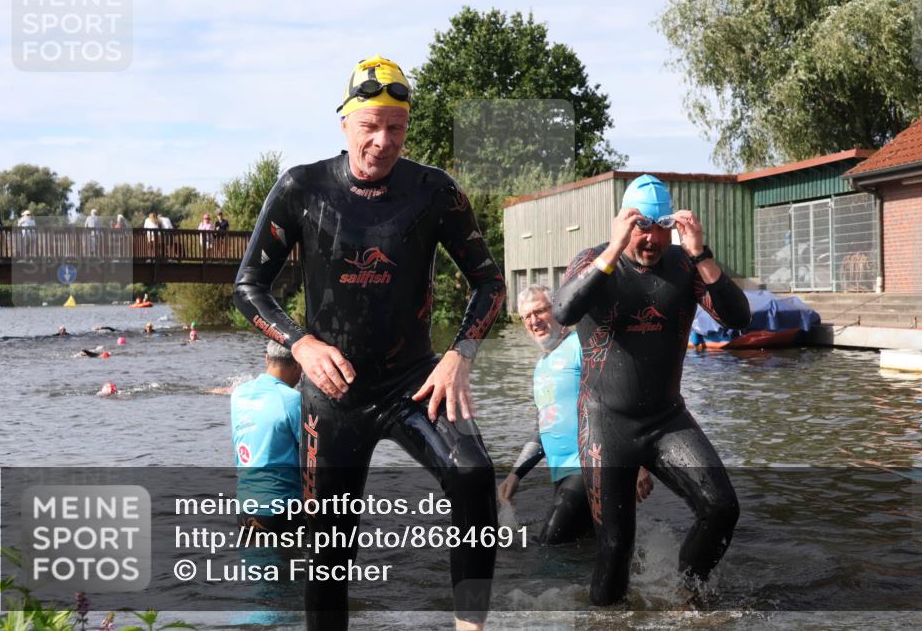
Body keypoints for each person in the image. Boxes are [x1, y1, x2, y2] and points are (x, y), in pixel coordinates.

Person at [234, 54, 505, 631]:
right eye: (370, 127)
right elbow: (248, 285)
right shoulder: (301, 188)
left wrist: (461, 354)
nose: (383, 142)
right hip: (334, 394)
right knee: (329, 553)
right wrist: (301, 343)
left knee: (474, 473)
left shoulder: (434, 191)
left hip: (414, 380)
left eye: (396, 128)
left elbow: (490, 281)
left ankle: (470, 627)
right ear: (345, 124)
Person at [553, 174, 751, 605]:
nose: (652, 240)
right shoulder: (594, 260)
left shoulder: (684, 265)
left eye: (662, 228)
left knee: (721, 508)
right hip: (606, 423)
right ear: (624, 224)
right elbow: (564, 311)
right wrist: (611, 249)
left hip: (666, 419)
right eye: (642, 227)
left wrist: (701, 251)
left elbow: (737, 319)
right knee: (615, 547)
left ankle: (687, 596)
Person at [498, 284, 653, 545]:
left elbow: (622, 398)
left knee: (548, 545)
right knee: (585, 552)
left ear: (558, 310)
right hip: (562, 474)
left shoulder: (581, 346)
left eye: (540, 311)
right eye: (527, 316)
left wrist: (638, 462)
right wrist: (515, 474)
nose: (534, 321)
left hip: (591, 466)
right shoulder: (541, 368)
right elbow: (544, 427)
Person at [231, 340, 305, 533]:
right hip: (282, 505)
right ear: (298, 365)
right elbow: (311, 454)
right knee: (295, 561)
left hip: (245, 507)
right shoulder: (293, 399)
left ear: (266, 359)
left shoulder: (238, 394)